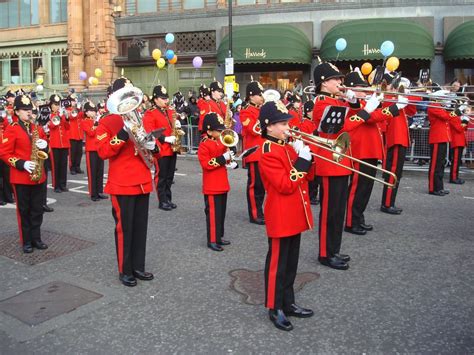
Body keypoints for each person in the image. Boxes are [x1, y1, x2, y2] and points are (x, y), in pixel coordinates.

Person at [311, 62, 384, 270]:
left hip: (342, 160)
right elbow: (345, 126)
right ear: (324, 83)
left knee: (339, 209)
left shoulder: (335, 100)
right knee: (330, 212)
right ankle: (325, 253)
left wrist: (354, 103)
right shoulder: (321, 103)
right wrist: (365, 110)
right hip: (330, 162)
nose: (340, 83)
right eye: (336, 79)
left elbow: (350, 118)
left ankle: (334, 249)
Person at [96, 77, 158, 287]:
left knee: (140, 226)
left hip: (141, 180)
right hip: (122, 183)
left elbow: (145, 145)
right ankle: (125, 269)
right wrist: (122, 135)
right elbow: (103, 151)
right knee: (125, 228)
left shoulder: (138, 117)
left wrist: (153, 146)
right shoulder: (106, 121)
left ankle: (138, 266)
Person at [258, 100, 314, 332]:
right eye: (282, 123)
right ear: (269, 126)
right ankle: (274, 306)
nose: (287, 127)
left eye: (286, 122)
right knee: (277, 265)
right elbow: (284, 184)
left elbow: (305, 178)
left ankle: (288, 302)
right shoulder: (268, 151)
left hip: (295, 211)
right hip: (281, 213)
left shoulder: (286, 146)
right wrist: (302, 161)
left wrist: (308, 157)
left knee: (291, 263)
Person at [343, 69, 396, 234]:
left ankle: (359, 217)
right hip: (360, 150)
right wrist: (394, 109)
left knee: (366, 188)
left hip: (371, 150)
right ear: (351, 89)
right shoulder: (353, 103)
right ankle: (351, 221)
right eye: (360, 87)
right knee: (358, 188)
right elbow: (372, 117)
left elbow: (375, 114)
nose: (365, 90)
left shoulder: (364, 103)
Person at [0, 94, 49, 253]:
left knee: (37, 210)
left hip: (38, 176)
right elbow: (4, 153)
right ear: (17, 111)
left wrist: (45, 144)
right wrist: (21, 163)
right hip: (21, 177)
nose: (29, 112)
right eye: (25, 110)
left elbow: (45, 150)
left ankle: (37, 238)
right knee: (24, 210)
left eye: (30, 109)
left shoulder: (37, 128)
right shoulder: (12, 129)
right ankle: (26, 240)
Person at [197, 112, 236, 252]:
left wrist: (230, 158)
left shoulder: (220, 142)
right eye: (219, 131)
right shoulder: (204, 145)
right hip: (211, 185)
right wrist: (222, 158)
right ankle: (212, 240)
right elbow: (206, 164)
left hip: (222, 183)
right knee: (213, 214)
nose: (221, 133)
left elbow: (224, 157)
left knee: (221, 213)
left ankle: (219, 236)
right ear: (208, 131)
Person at [380, 72, 418, 214]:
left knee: (397, 173)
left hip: (401, 139)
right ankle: (387, 203)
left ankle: (390, 201)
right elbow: (387, 108)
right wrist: (398, 96)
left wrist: (406, 95)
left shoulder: (398, 98)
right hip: (395, 139)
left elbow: (412, 111)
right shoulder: (388, 97)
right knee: (393, 172)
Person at [143, 84, 178, 211]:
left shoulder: (169, 110)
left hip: (172, 148)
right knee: (161, 176)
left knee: (170, 176)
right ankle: (162, 201)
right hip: (161, 149)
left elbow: (172, 125)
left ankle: (168, 198)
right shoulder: (150, 113)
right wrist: (165, 138)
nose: (166, 101)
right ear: (156, 99)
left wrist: (177, 125)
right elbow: (150, 131)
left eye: (166, 98)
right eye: (163, 98)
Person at [427, 91, 464, 196]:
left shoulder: (439, 106)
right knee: (435, 165)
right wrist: (457, 111)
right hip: (437, 138)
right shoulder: (433, 105)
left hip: (442, 138)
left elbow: (447, 116)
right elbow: (446, 117)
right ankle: (433, 188)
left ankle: (439, 187)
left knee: (441, 164)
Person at [240, 81, 266, 225]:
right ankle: (255, 214)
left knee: (262, 186)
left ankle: (260, 210)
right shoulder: (246, 111)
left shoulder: (261, 109)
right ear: (251, 96)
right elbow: (254, 130)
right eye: (259, 94)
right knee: (255, 186)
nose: (262, 97)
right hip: (254, 153)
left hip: (264, 153)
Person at [81, 102, 107, 201]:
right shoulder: (85, 121)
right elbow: (91, 133)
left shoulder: (98, 121)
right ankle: (93, 193)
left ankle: (100, 191)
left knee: (100, 171)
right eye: (91, 111)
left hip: (99, 148)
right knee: (92, 172)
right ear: (86, 113)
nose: (93, 113)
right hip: (91, 149)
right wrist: (97, 123)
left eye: (94, 111)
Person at [48, 94, 70, 193]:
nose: (57, 106)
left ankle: (63, 184)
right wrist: (57, 117)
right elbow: (51, 126)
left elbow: (67, 127)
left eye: (58, 104)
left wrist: (65, 117)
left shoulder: (61, 115)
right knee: (56, 165)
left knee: (63, 165)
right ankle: (56, 185)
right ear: (51, 105)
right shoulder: (49, 115)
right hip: (55, 143)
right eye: (55, 104)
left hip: (64, 143)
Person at [67, 93, 84, 175]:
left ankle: (77, 166)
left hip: (79, 134)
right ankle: (72, 167)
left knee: (79, 152)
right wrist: (77, 109)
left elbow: (82, 116)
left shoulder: (78, 109)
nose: (74, 102)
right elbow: (71, 117)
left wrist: (82, 108)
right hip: (72, 134)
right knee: (72, 153)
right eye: (73, 101)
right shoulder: (68, 110)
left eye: (75, 101)